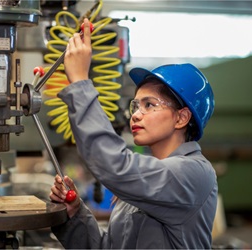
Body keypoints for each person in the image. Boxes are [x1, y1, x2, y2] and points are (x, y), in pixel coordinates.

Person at [49, 18, 217, 249]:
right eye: (135, 106)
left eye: (149, 105)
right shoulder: (146, 178)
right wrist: (75, 213)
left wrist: (80, 82)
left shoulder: (193, 173)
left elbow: (115, 165)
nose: (136, 115)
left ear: (182, 118)